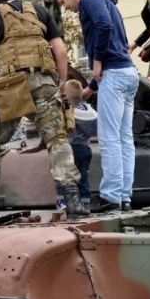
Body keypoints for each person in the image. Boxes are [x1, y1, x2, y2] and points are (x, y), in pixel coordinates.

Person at [0, 0, 88, 222]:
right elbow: (61, 52)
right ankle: (73, 201)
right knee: (57, 138)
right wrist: (60, 84)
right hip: (43, 82)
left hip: (9, 86)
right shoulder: (41, 12)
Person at [56, 0, 140, 213]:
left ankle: (111, 196)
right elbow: (117, 41)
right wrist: (91, 87)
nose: (67, 9)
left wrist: (97, 62)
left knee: (109, 137)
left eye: (64, 2)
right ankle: (124, 197)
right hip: (127, 73)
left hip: (113, 74)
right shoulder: (106, 1)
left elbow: (103, 26)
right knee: (124, 139)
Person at [54, 80, 97, 211]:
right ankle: (85, 202)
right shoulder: (89, 112)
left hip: (70, 149)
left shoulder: (68, 113)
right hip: (85, 149)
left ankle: (63, 201)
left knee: (63, 175)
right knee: (83, 177)